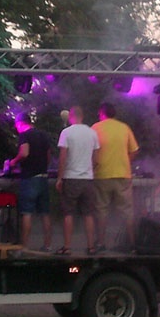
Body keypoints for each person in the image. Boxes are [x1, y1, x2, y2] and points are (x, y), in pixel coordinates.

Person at [91, 102, 140, 252]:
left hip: (102, 175)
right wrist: (125, 162)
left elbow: (91, 152)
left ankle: (101, 243)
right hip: (123, 174)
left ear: (102, 113)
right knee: (127, 210)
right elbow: (134, 150)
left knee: (101, 210)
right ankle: (132, 243)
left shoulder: (95, 128)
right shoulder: (124, 128)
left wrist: (93, 167)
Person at [4, 112, 53, 251]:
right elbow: (48, 157)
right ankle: (48, 245)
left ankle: (24, 247)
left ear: (20, 123)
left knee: (27, 213)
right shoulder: (43, 135)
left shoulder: (24, 135)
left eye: (16, 126)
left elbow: (24, 153)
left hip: (30, 178)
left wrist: (13, 162)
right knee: (45, 213)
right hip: (43, 177)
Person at [55, 105, 99, 255]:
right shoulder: (92, 133)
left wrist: (59, 178)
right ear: (83, 116)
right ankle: (91, 246)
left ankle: (67, 247)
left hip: (71, 178)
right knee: (88, 214)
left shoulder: (66, 132)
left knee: (68, 213)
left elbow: (63, 157)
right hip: (88, 179)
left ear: (71, 116)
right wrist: (90, 170)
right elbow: (96, 158)